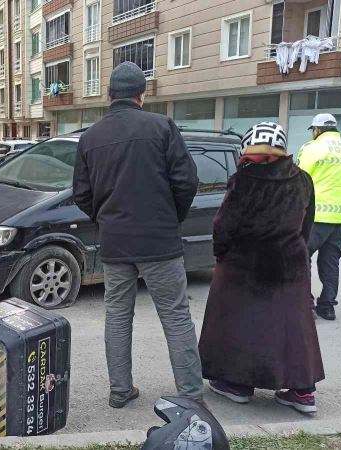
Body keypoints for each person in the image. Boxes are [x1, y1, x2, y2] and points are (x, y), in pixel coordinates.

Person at [73, 62, 202, 408]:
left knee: (117, 315)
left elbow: (81, 194)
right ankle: (190, 396)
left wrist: (106, 219)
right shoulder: (162, 127)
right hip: (160, 241)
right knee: (175, 317)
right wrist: (170, 218)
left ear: (110, 95)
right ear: (142, 95)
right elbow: (187, 181)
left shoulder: (90, 137)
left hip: (115, 243)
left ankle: (120, 390)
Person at [198, 122, 325, 414]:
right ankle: (302, 392)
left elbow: (224, 225)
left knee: (238, 325)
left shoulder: (243, 179)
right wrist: (297, 254)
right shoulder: (303, 180)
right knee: (293, 328)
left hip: (243, 268)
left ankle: (237, 385)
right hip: (289, 266)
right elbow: (307, 225)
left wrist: (221, 254)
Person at [296, 114, 341, 320]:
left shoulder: (312, 148)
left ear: (317, 130)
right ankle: (327, 307)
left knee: (302, 257)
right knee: (330, 261)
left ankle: (305, 303)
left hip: (317, 215)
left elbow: (299, 176)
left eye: (313, 130)